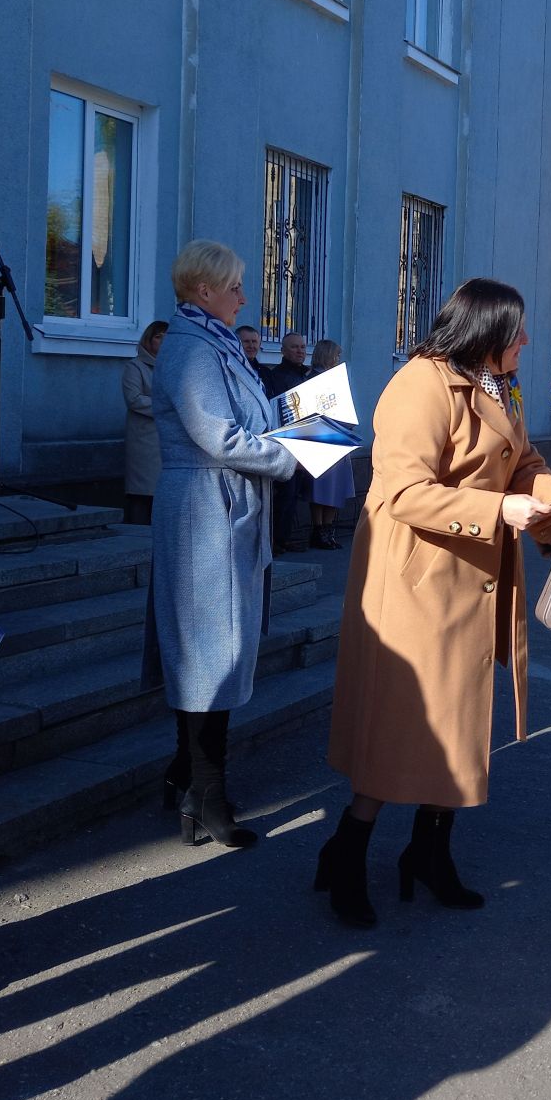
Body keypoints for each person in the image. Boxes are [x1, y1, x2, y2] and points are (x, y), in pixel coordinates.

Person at [318, 278, 551, 928]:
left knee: (459, 729)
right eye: (516, 330)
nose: (526, 340)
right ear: (485, 331)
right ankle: (347, 851)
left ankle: (430, 854)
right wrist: (501, 510)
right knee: (400, 729)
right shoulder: (422, 384)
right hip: (418, 583)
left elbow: (522, 462)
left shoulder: (496, 384)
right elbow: (404, 492)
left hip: (471, 579)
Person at [148, 241, 299, 849]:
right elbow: (220, 436)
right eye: (234, 286)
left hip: (226, 506)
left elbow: (251, 419)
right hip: (204, 509)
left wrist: (303, 421)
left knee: (217, 649)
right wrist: (290, 456)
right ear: (204, 289)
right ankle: (205, 794)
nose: (243, 296)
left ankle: (187, 774)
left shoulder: (217, 342)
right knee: (211, 652)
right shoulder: (191, 347)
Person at [260, 332, 314, 555]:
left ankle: (284, 538)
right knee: (283, 494)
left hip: (303, 439)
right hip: (284, 443)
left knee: (295, 494)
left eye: (302, 347)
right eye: (294, 347)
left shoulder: (305, 375)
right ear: (283, 351)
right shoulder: (276, 376)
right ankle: (274, 540)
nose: (300, 351)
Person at [306, 338, 355, 550]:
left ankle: (328, 528)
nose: (338, 359)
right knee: (320, 488)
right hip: (321, 439)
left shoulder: (336, 378)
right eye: (336, 355)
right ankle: (318, 530)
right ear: (326, 355)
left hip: (339, 436)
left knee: (336, 488)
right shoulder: (312, 379)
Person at [121, 320, 169, 524]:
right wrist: (166, 407)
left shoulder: (172, 367)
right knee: (142, 493)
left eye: (167, 337)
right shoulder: (135, 367)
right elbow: (134, 399)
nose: (163, 341)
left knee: (162, 497)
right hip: (144, 441)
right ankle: (135, 533)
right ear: (148, 340)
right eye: (158, 337)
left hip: (167, 441)